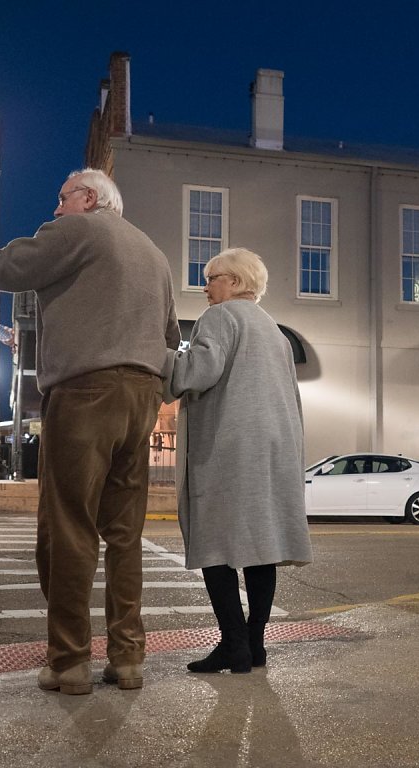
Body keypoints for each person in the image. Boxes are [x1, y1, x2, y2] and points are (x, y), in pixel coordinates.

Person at [0, 169, 181, 695]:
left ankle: (69, 661)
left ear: (91, 198)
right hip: (142, 395)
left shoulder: (80, 230)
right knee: (124, 534)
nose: (55, 209)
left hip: (85, 393)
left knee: (68, 526)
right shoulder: (153, 253)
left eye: (62, 197)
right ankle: (127, 657)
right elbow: (169, 335)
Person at [165, 247, 312, 673]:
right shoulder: (274, 330)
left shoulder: (220, 317)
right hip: (274, 448)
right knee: (261, 547)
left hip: (229, 447)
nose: (205, 286)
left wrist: (163, 357)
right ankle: (254, 643)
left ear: (234, 281)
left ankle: (233, 645)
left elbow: (198, 373)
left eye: (211, 277)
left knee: (216, 544)